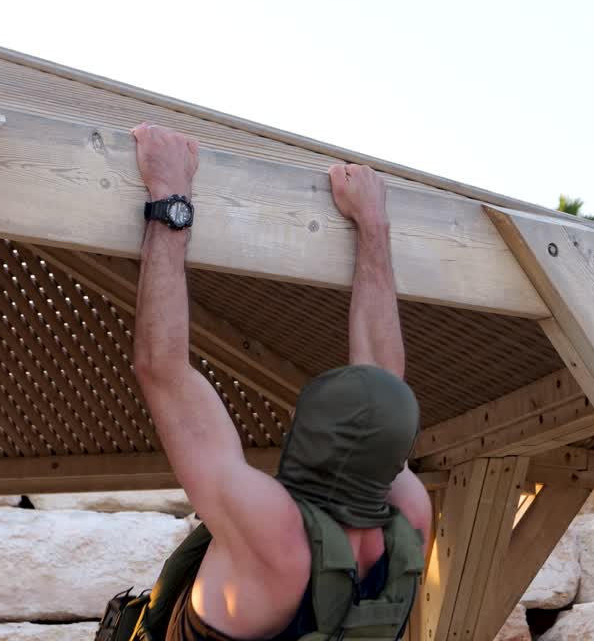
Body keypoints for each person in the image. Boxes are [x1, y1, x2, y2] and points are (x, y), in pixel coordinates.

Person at [127, 123, 433, 641]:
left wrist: (170, 197)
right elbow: (383, 387)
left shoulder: (272, 533)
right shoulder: (409, 514)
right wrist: (373, 225)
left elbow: (162, 369)